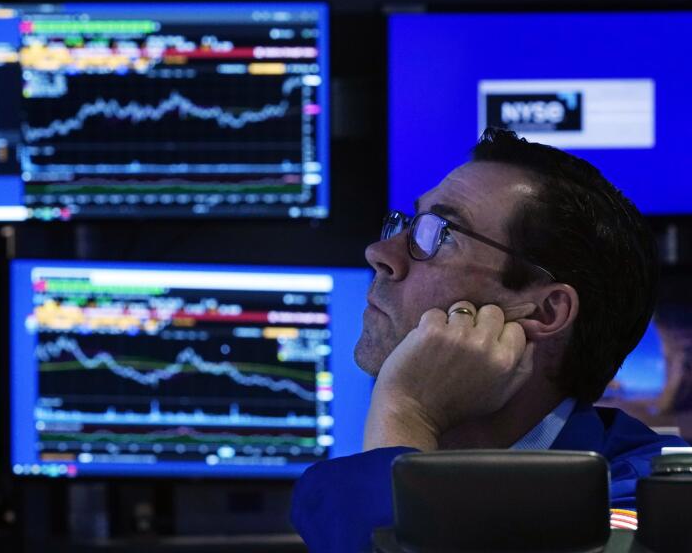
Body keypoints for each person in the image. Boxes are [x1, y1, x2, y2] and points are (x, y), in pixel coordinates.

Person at [290, 128, 690, 552]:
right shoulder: (336, 491)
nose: (380, 253)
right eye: (407, 224)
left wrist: (406, 411)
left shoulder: (655, 504)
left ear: (544, 312)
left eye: (439, 234)